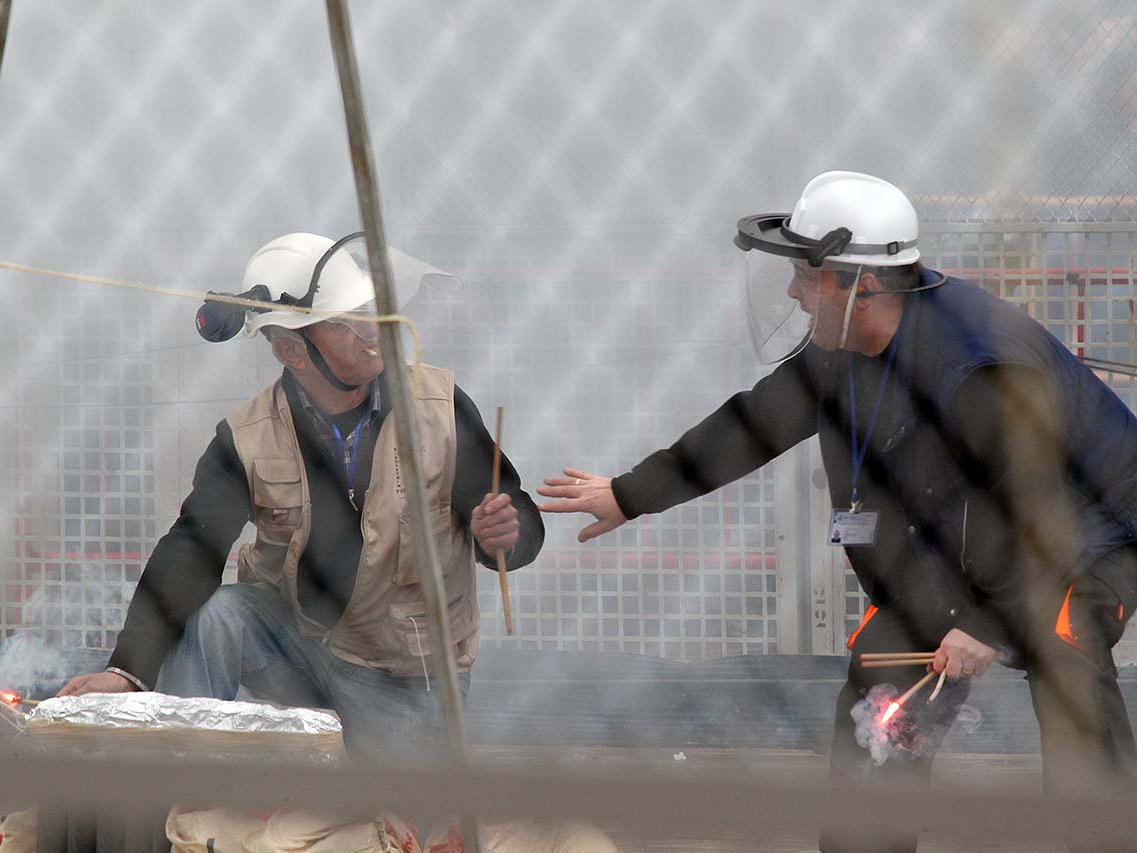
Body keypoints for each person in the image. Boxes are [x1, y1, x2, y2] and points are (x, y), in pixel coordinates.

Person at [539, 172, 1137, 851]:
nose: (793, 291)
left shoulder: (979, 370)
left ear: (861, 287)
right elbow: (751, 424)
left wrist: (984, 623)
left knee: (1064, 651)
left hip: (1090, 533)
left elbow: (1039, 513)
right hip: (965, 542)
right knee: (883, 673)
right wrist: (628, 494)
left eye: (805, 276)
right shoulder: (840, 352)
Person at [58, 231, 544, 763]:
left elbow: (514, 514)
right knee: (221, 614)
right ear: (293, 349)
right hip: (295, 651)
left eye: (369, 310)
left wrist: (506, 535)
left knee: (389, 831)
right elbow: (189, 550)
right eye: (345, 321)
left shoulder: (438, 408)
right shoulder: (245, 437)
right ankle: (178, 783)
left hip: (403, 676)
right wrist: (126, 670)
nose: (371, 332)